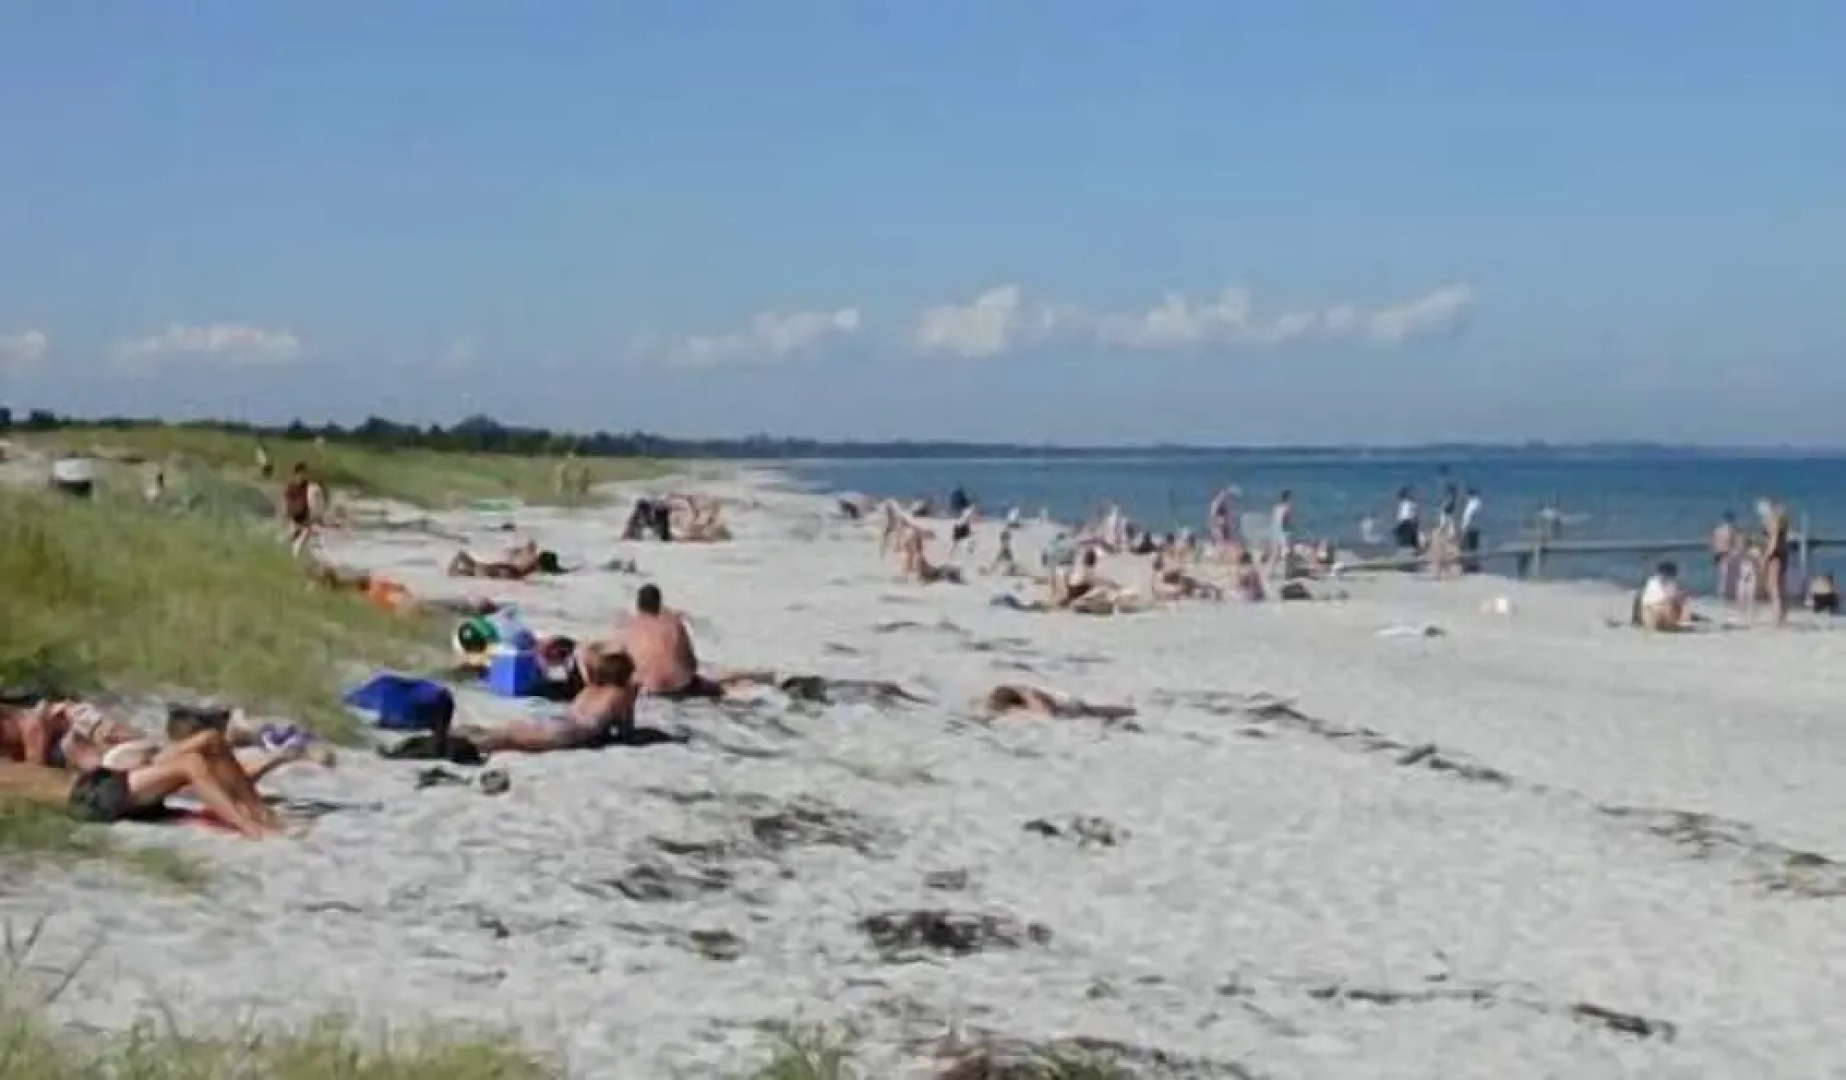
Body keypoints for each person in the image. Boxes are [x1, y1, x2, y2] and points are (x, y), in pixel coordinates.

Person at [0, 726, 291, 839]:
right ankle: (251, 829)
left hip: (98, 781)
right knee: (190, 764)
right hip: (90, 797)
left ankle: (259, 812)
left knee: (210, 739)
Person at [456, 648, 639, 752]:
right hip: (572, 730)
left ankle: (462, 734)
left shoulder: (590, 688)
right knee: (510, 742)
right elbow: (625, 729)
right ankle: (466, 745)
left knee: (509, 732)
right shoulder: (620, 693)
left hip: (559, 717)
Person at [619, 584, 723, 698]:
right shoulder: (674, 623)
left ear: (638, 605)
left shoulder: (628, 626)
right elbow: (692, 664)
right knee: (717, 690)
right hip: (680, 687)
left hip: (647, 689)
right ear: (659, 604)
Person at [981, 685, 1136, 722]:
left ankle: (1129, 712)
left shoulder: (1031, 698)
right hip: (1070, 708)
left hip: (1073, 710)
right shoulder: (1022, 693)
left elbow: (1046, 715)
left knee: (1101, 714)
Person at [1758, 499, 1791, 626]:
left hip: (1775, 554)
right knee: (1780, 585)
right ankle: (1782, 615)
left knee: (1773, 587)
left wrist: (1765, 557)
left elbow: (1773, 540)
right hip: (1783, 551)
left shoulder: (1773, 521)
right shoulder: (1782, 521)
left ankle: (1777, 617)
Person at [1637, 560, 1690, 631]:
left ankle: (1680, 622)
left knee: (1678, 600)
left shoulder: (1652, 581)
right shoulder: (1660, 582)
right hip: (1655, 616)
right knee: (1680, 601)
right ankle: (1682, 622)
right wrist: (1680, 596)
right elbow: (1666, 599)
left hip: (1649, 617)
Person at [280, 463, 315, 557]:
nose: (303, 476)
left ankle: (297, 557)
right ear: (296, 474)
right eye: (301, 474)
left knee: (299, 545)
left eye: (305, 474)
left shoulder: (309, 487)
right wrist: (287, 519)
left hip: (306, 521)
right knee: (291, 538)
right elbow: (286, 505)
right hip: (294, 519)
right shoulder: (290, 487)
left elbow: (314, 502)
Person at [1459, 488, 1483, 569]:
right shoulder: (1477, 503)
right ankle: (1472, 564)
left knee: (1468, 547)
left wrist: (1464, 527)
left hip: (1470, 528)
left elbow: (1469, 516)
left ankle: (1469, 565)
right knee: (1473, 547)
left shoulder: (1473, 504)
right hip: (1475, 528)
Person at [1392, 487, 1420, 551]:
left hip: (1407, 521)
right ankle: (1410, 548)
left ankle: (1411, 548)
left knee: (1408, 536)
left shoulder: (1409, 503)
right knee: (1400, 534)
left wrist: (1413, 521)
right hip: (1405, 521)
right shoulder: (1404, 503)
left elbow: (1412, 514)